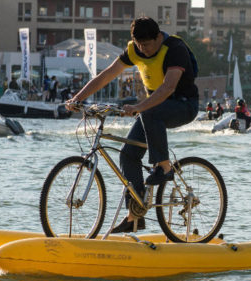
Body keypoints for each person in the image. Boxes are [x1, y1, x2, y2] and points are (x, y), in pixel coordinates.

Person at [65, 16, 199, 233]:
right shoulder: (134, 50)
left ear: (157, 38)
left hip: (183, 104)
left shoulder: (175, 48)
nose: (142, 50)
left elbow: (167, 88)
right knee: (128, 155)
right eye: (138, 45)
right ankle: (134, 216)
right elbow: (107, 75)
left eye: (146, 45)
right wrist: (78, 98)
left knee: (149, 113)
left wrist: (140, 106)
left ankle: (164, 168)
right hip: (153, 109)